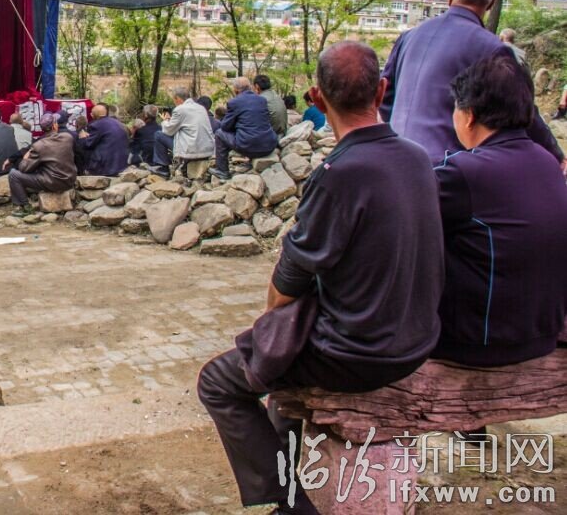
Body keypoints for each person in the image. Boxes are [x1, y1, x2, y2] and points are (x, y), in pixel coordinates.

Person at [197, 42, 443, 514]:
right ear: (382, 91)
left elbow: (287, 284)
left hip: (356, 354)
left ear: (317, 97)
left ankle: (290, 503)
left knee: (218, 382)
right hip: (416, 340)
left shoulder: (338, 173)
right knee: (279, 375)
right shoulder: (418, 157)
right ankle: (290, 490)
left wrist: (271, 324)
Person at [432, 54, 567, 367]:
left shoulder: (462, 173)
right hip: (541, 336)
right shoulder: (547, 163)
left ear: (469, 115)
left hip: (478, 344)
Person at [382, 0, 563, 169]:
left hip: (396, 160)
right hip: (448, 168)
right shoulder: (493, 49)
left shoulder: (409, 36)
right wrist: (555, 154)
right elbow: (522, 111)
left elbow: (385, 98)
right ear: (492, 2)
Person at [208, 78, 278, 181]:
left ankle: (222, 171)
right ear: (250, 87)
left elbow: (225, 126)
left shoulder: (234, 102)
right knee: (252, 131)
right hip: (268, 145)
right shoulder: (262, 100)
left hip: (248, 146)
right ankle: (249, 162)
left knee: (219, 133)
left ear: (236, 90)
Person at [8, 113, 76, 208]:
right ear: (54, 126)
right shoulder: (68, 137)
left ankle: (24, 206)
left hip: (52, 182)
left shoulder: (39, 145)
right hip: (69, 180)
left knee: (13, 174)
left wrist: (25, 158)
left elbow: (23, 168)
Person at [152, 88, 215, 177]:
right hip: (207, 150)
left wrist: (165, 120)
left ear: (177, 98)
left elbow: (168, 130)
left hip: (191, 151)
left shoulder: (180, 109)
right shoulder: (201, 108)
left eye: (174, 100)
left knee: (158, 135)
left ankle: (163, 168)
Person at [77, 104, 129, 177]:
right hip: (121, 163)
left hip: (106, 167)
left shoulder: (96, 125)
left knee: (81, 148)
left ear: (92, 115)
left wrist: (82, 138)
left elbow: (88, 144)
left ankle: (84, 171)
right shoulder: (117, 122)